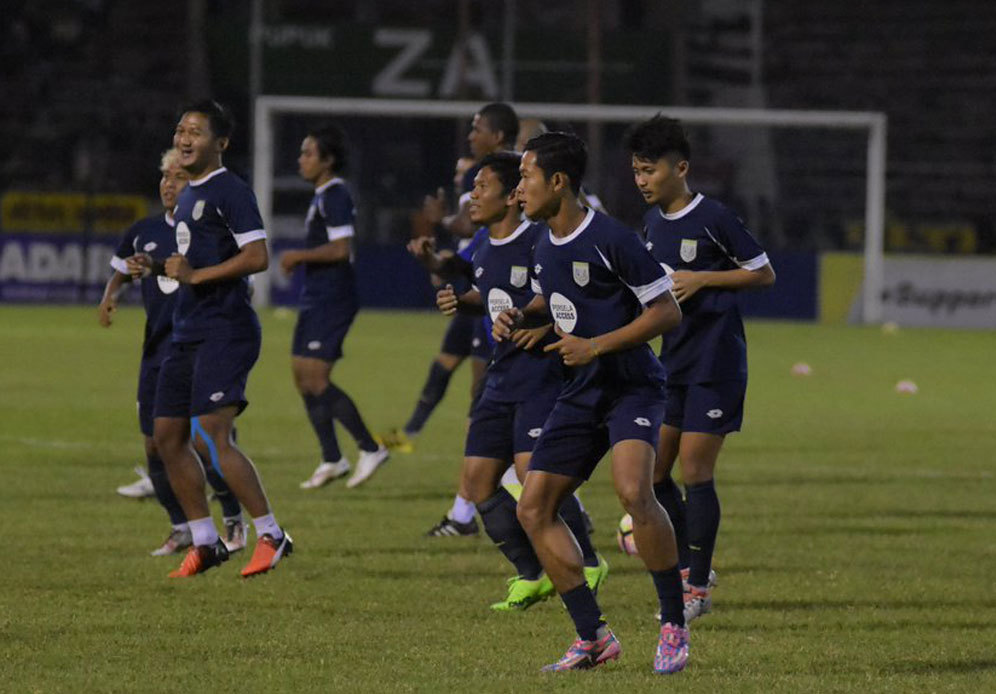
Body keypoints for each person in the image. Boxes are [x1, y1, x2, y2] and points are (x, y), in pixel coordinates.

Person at [493, 132, 688, 673]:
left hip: (631, 386)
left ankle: (673, 623)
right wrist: (524, 316)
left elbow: (666, 312)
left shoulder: (611, 238)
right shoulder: (540, 241)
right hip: (580, 392)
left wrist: (596, 345)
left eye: (526, 177)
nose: (518, 190)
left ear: (558, 182)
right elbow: (559, 302)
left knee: (633, 491)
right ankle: (593, 637)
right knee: (532, 508)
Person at [433, 151, 608, 609]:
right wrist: (465, 301)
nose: (472, 195)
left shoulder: (540, 241)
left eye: (482, 186)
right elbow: (497, 299)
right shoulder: (486, 245)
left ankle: (587, 561)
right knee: (477, 481)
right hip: (501, 376)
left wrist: (541, 324)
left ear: (512, 195)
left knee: (536, 476)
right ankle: (530, 572)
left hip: (542, 376)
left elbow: (566, 298)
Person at [626, 115, 775, 621]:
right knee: (657, 472)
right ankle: (698, 560)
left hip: (717, 363)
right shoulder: (648, 226)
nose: (642, 180)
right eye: (636, 171)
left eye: (649, 170)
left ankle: (697, 590)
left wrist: (704, 279)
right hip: (674, 364)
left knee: (696, 470)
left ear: (681, 168)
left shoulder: (713, 216)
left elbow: (763, 273)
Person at [145, 99, 290, 578]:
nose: (184, 138)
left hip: (225, 329)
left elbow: (258, 256)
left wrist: (196, 274)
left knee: (210, 434)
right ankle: (205, 540)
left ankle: (271, 533)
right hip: (187, 330)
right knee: (166, 437)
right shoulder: (188, 193)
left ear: (221, 143)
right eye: (181, 129)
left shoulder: (230, 190)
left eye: (197, 132)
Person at [98, 148, 246, 556]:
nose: (168, 184)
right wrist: (110, 295)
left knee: (203, 441)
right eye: (164, 177)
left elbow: (238, 273)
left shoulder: (206, 229)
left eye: (177, 178)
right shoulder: (143, 230)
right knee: (155, 444)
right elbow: (123, 270)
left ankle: (233, 517)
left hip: (199, 344)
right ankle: (181, 527)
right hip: (157, 348)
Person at [380, 103, 520, 478]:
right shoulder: (486, 240)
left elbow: (460, 226)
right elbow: (457, 260)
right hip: (481, 300)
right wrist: (433, 263)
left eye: (478, 129)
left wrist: (442, 220)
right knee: (457, 375)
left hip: (535, 353)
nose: (471, 136)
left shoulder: (533, 234)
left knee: (489, 407)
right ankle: (413, 434)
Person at [281, 123, 389, 491]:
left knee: (316, 379)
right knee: (301, 377)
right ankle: (331, 458)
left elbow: (342, 250)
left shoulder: (336, 195)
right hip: (316, 296)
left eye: (308, 153)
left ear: (327, 161)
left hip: (333, 297)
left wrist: (299, 254)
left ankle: (370, 448)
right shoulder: (322, 195)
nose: (301, 159)